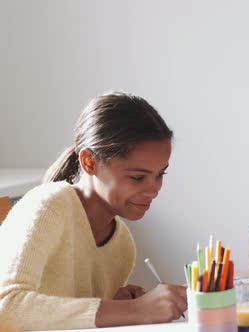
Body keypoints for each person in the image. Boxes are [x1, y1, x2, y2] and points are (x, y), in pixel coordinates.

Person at [0, 92, 187, 330]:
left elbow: (70, 318)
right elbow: (6, 307)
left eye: (160, 174)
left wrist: (115, 305)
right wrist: (133, 310)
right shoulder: (49, 206)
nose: (153, 189)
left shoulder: (122, 245)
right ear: (89, 162)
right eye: (137, 177)